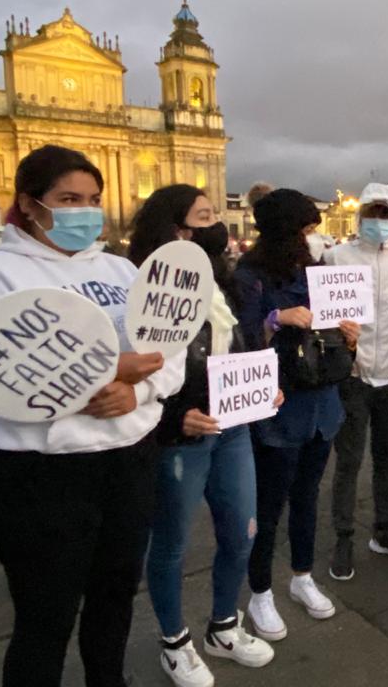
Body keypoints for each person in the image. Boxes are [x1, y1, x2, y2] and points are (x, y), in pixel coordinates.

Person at [0, 145, 185, 687]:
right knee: (44, 617)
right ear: (30, 205)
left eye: (94, 200)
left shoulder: (122, 270)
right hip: (37, 475)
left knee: (115, 598)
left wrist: (139, 393)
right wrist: (106, 374)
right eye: (68, 199)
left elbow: (170, 357)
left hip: (126, 463)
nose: (85, 211)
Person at [129, 185, 275, 686]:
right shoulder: (143, 288)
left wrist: (263, 388)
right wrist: (175, 419)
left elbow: (242, 346)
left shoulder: (223, 282)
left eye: (215, 221)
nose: (211, 231)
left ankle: (223, 626)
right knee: (170, 545)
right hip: (180, 438)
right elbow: (137, 374)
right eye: (198, 221)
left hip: (232, 428)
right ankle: (174, 641)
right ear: (170, 228)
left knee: (242, 532)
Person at [234, 189, 359, 641]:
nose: (313, 238)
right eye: (306, 230)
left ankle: (302, 574)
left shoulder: (320, 271)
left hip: (322, 401)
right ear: (284, 231)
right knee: (269, 505)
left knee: (308, 494)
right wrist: (276, 319)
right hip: (279, 404)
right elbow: (242, 338)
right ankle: (260, 590)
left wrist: (349, 335)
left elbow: (338, 332)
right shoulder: (250, 275)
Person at [324, 183, 388, 581]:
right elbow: (321, 315)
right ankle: (343, 535)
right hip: (352, 375)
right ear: (360, 214)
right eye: (373, 213)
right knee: (348, 461)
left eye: (386, 214)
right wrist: (339, 346)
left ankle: (383, 531)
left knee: (387, 458)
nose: (379, 221)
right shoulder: (335, 257)